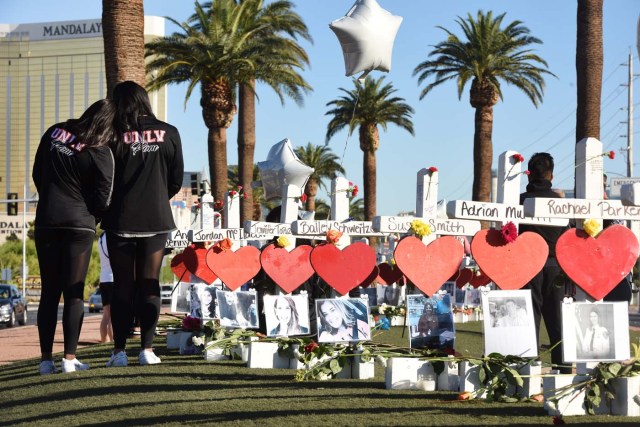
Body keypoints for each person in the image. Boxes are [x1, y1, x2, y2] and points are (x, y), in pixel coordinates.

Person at [101, 81, 184, 367]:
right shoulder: (170, 132)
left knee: (123, 285)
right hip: (156, 219)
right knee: (150, 284)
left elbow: (103, 179)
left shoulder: (111, 135)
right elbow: (176, 179)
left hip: (120, 220)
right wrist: (157, 198)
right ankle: (148, 350)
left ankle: (120, 352)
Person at [32, 99, 116, 374]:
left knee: (49, 292)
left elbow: (37, 172)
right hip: (79, 225)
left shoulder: (55, 132)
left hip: (47, 220)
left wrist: (51, 198)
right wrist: (90, 213)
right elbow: (104, 197)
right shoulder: (101, 151)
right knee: (74, 294)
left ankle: (46, 360)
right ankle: (69, 358)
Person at [519, 152, 571, 373]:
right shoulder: (559, 202)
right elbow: (566, 236)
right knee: (557, 321)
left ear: (528, 174)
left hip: (529, 267)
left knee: (530, 319)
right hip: (555, 267)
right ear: (551, 174)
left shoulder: (520, 201)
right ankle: (564, 369)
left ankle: (527, 369)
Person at [98, 233, 114, 343]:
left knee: (106, 315)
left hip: (103, 279)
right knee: (114, 315)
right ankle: (114, 341)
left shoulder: (101, 238)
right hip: (113, 278)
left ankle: (104, 341)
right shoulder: (113, 236)